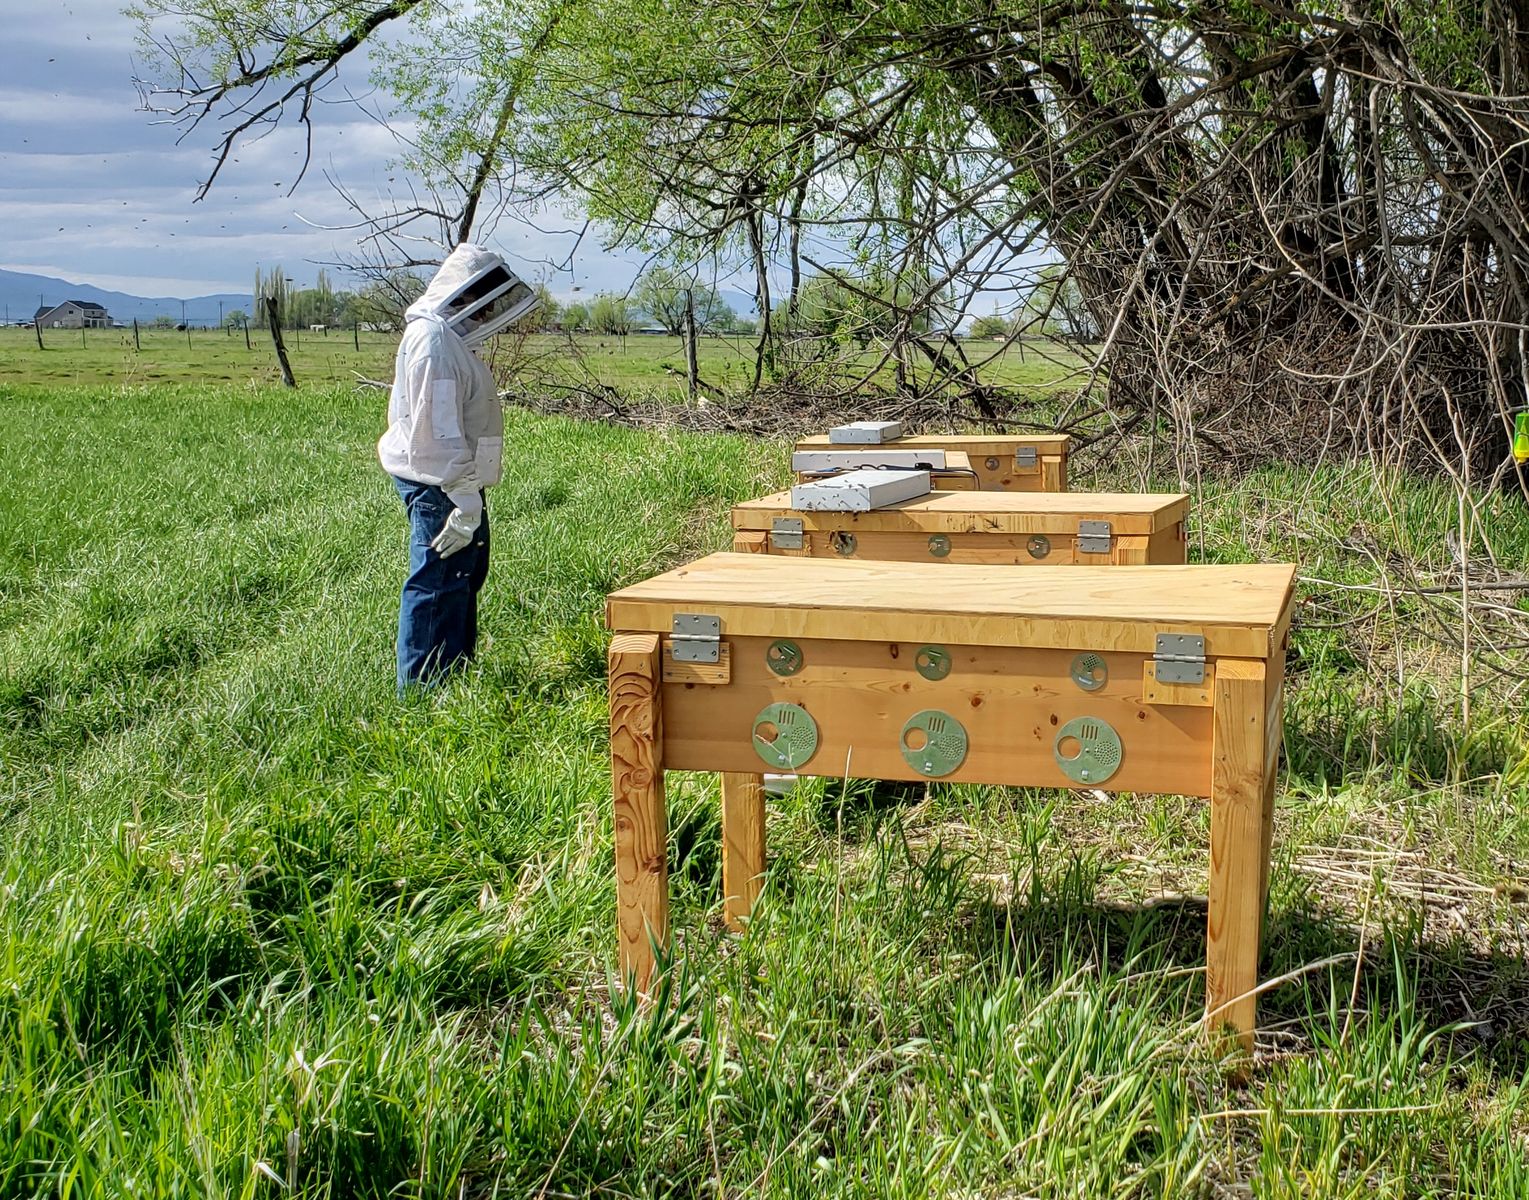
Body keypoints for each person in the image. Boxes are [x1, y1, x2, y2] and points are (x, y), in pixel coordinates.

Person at [378, 244, 539, 693]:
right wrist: (464, 500)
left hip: (452, 482)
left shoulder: (444, 339)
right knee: (437, 584)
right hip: (440, 485)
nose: (486, 316)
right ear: (463, 294)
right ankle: (425, 697)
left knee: (461, 577)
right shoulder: (434, 343)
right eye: (480, 304)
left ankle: (454, 682)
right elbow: (437, 433)